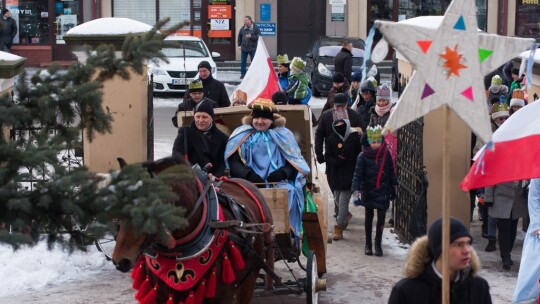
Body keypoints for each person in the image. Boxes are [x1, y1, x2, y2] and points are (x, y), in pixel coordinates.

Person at [225, 98, 310, 241]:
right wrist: (247, 173)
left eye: (264, 118)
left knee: (289, 191)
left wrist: (282, 173)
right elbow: (233, 160)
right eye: (256, 117)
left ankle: (284, 232)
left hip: (277, 181)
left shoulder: (284, 134)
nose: (259, 121)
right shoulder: (241, 133)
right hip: (249, 181)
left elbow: (294, 160)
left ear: (272, 120)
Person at [388, 217, 492, 303]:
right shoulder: (407, 291)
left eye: (468, 243)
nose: (467, 251)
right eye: (458, 245)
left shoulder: (479, 287)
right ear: (439, 249)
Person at [351, 125, 397, 257]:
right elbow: (357, 175)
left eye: (378, 142)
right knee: (369, 218)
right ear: (368, 142)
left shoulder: (386, 154)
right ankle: (368, 244)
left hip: (383, 190)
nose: (376, 145)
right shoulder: (362, 156)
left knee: (381, 218)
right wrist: (356, 191)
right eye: (373, 142)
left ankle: (378, 243)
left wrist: (394, 186)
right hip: (369, 191)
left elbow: (391, 171)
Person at [315, 92, 363, 209]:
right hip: (332, 157)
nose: (340, 109)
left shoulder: (355, 116)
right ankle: (340, 208)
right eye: (337, 107)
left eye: (343, 106)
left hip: (350, 158)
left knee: (347, 185)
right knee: (332, 182)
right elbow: (319, 133)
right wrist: (319, 152)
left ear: (347, 104)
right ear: (333, 105)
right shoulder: (326, 116)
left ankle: (342, 209)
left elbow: (362, 135)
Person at [325, 118, 362, 240]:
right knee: (337, 199)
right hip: (336, 175)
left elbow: (359, 155)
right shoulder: (332, 139)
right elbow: (328, 157)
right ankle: (345, 216)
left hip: (350, 175)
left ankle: (338, 228)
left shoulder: (354, 138)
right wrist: (337, 161)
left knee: (342, 202)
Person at [172, 100, 228, 177]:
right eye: (197, 117)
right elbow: (177, 154)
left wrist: (216, 177)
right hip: (189, 175)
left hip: (212, 179)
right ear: (194, 117)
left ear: (212, 118)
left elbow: (223, 164)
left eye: (204, 117)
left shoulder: (223, 138)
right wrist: (194, 172)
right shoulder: (185, 132)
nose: (200, 120)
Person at [513, 178, 540, 303]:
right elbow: (534, 198)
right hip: (538, 231)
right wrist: (537, 224)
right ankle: (525, 299)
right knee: (533, 268)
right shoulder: (537, 175)